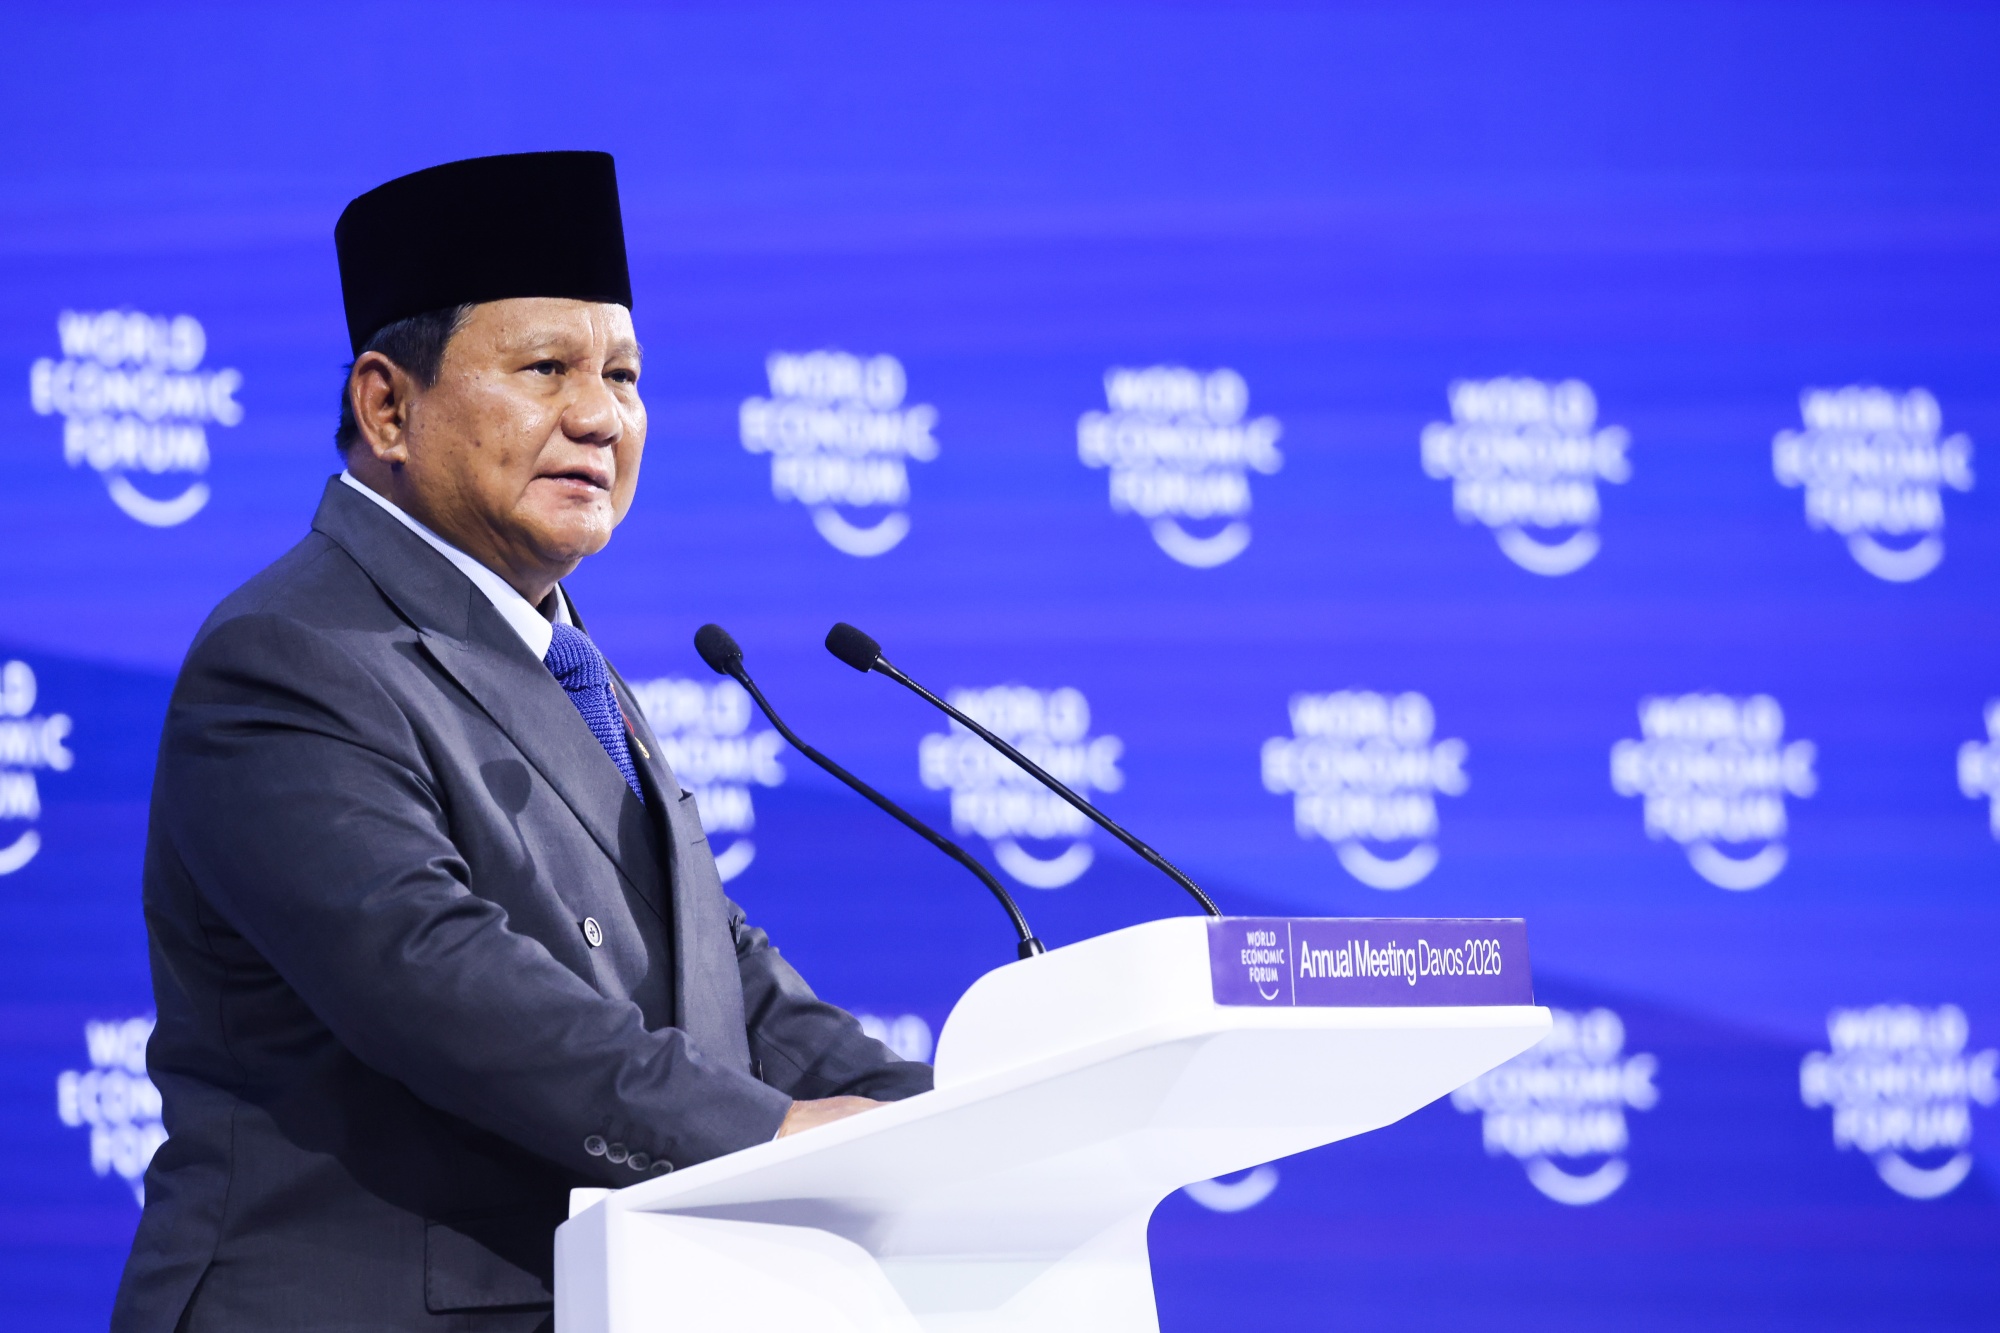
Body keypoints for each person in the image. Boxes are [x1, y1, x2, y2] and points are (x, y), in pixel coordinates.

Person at [111, 151, 931, 1333]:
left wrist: (931, 1117)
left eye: (623, 374)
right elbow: (437, 978)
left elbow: (721, 973)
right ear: (386, 406)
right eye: (545, 369)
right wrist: (767, 1133)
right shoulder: (290, 654)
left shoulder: (564, 656)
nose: (598, 416)